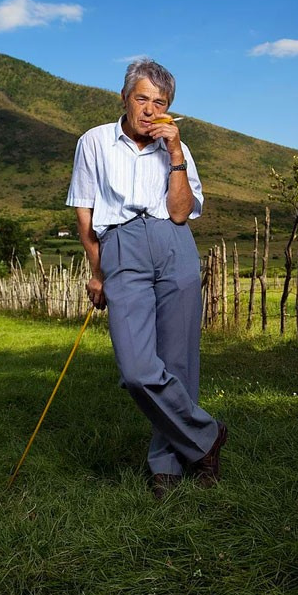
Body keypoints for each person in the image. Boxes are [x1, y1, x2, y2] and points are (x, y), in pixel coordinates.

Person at [66, 59, 227, 499]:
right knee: (137, 369)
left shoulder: (178, 149)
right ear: (125, 98)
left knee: (179, 362)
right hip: (121, 246)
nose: (150, 110)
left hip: (173, 244)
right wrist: (97, 270)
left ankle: (169, 465)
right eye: (142, 98)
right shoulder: (94, 142)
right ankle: (206, 437)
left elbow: (180, 211)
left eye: (160, 103)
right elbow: (84, 210)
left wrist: (175, 154)